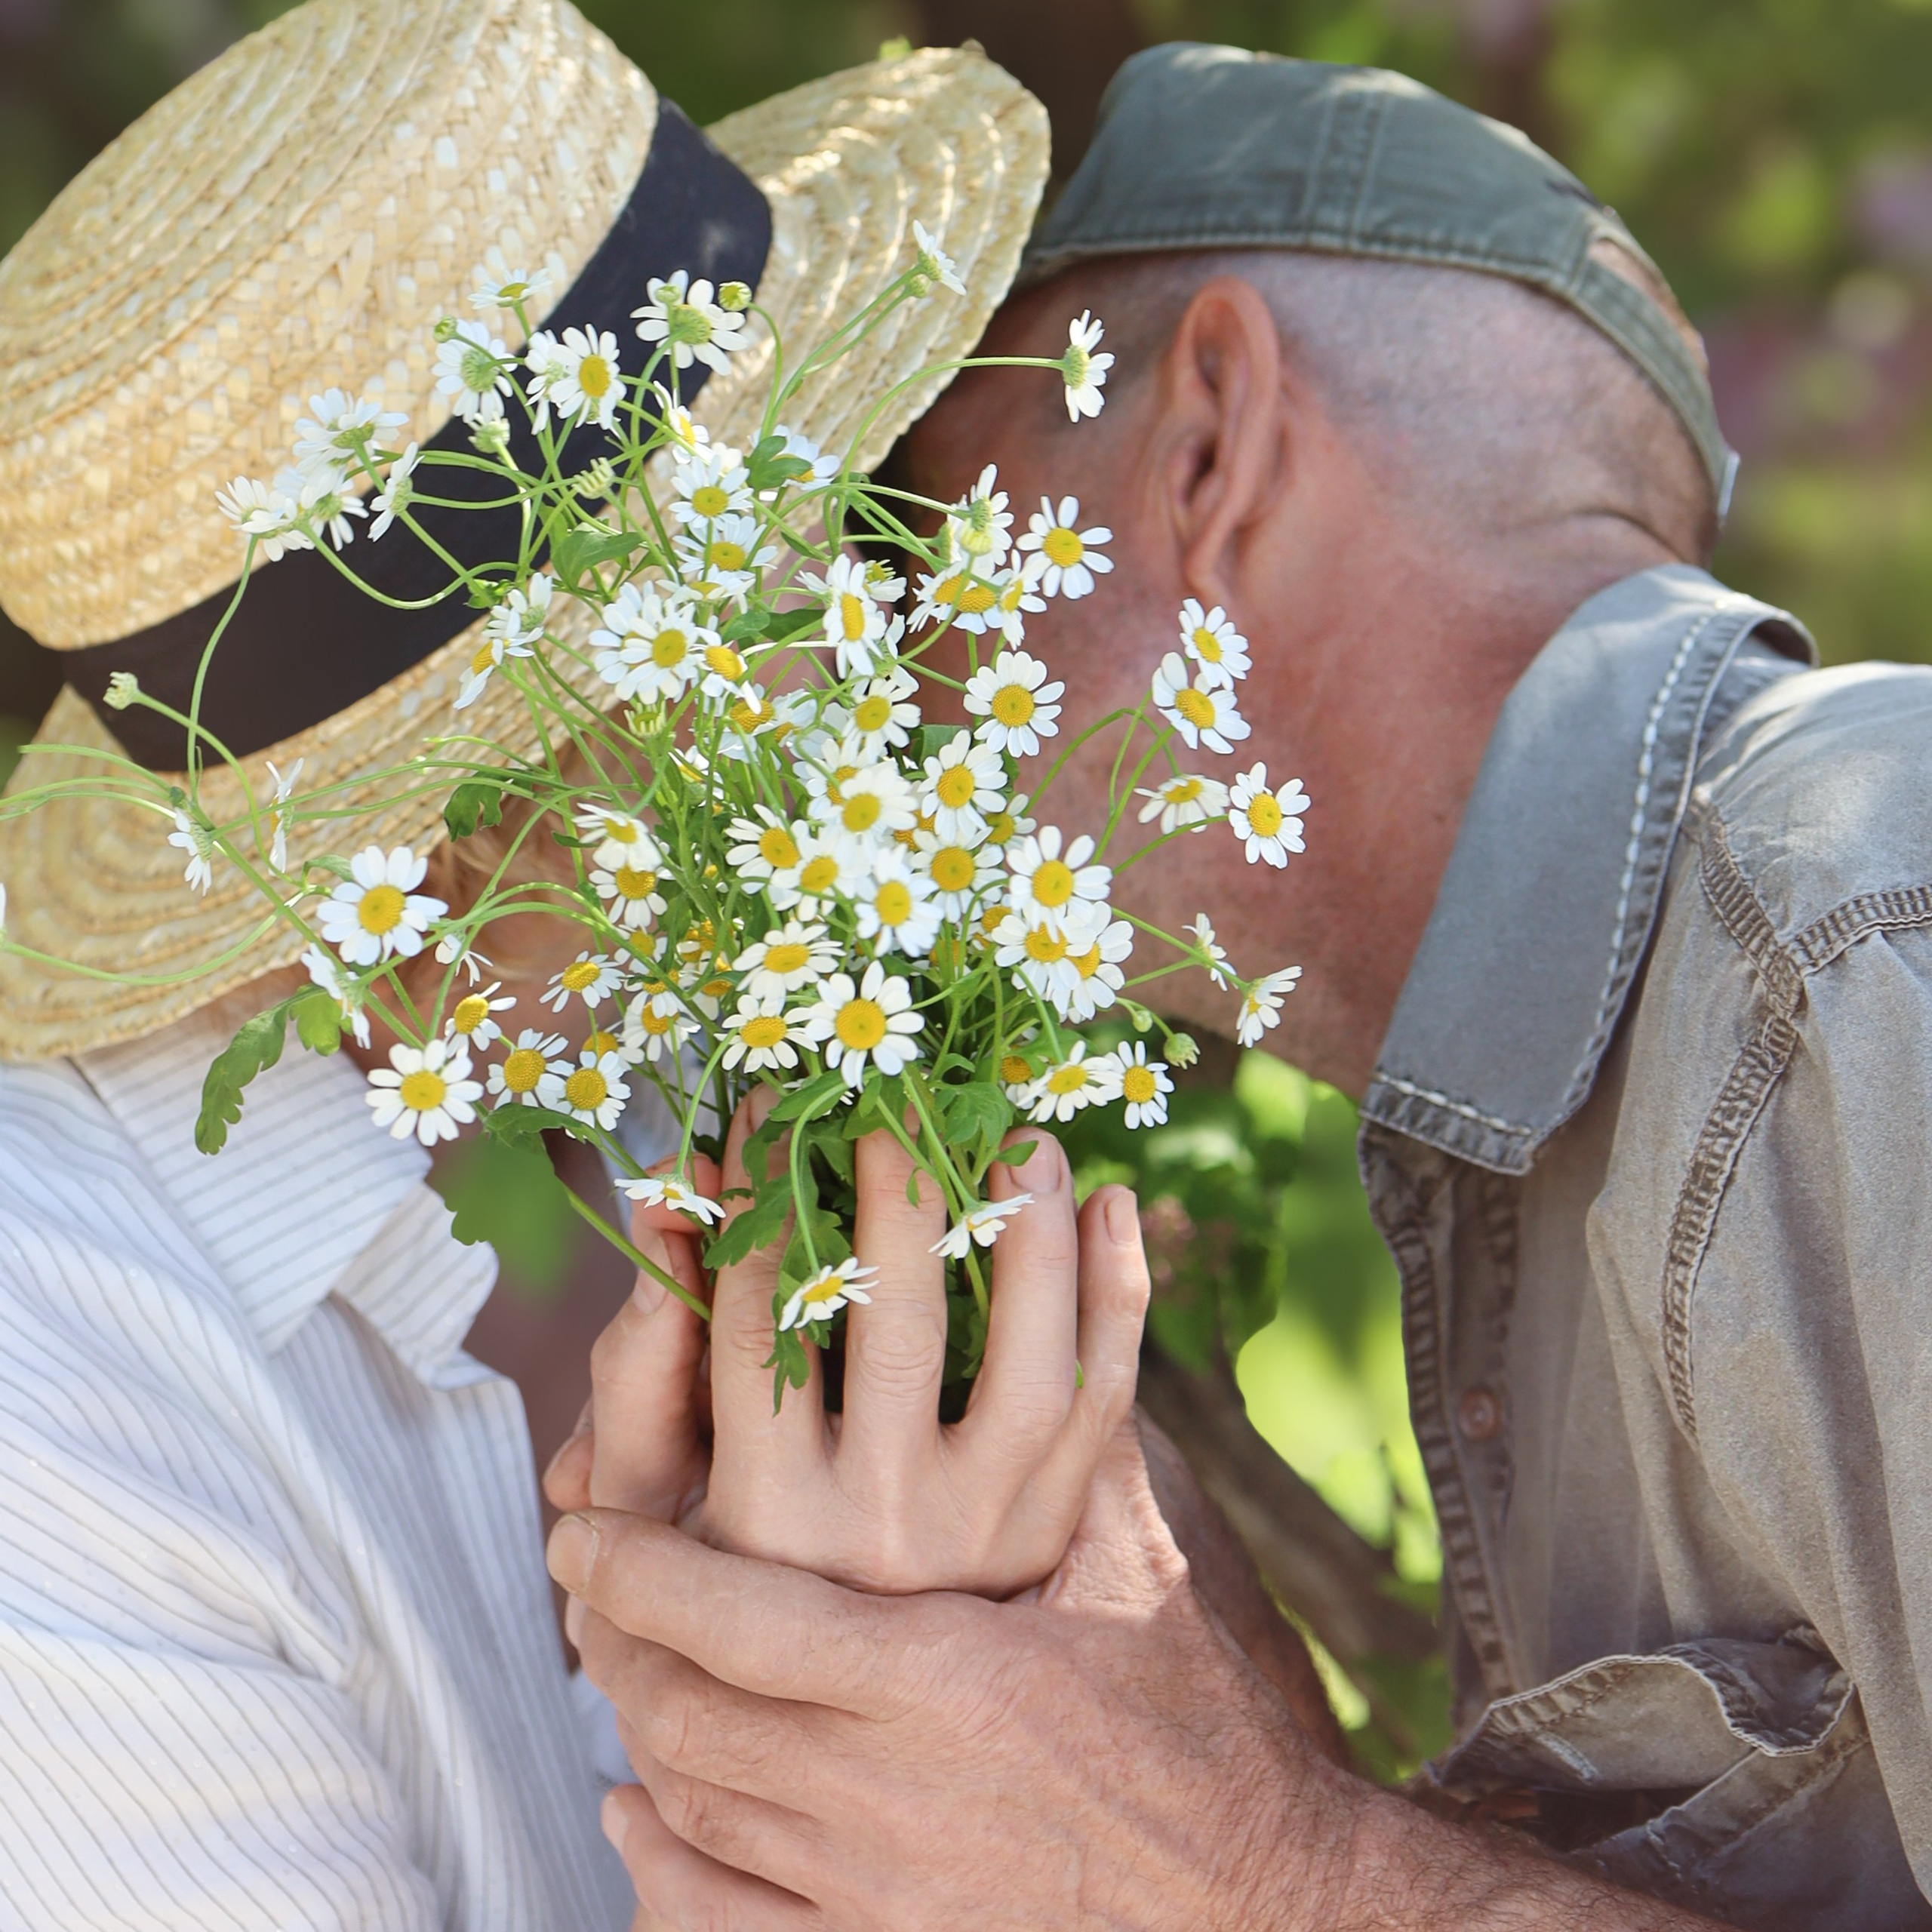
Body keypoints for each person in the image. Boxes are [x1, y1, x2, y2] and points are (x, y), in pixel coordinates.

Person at [550, 45, 1932, 1932]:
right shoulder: (1570, 1116)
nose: (848, 674)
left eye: (897, 526)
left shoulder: (1864, 936)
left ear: (1202, 440)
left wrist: (1250, 1857)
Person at [0, 3, 1063, 1924]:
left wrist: (768, 1618)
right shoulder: (49, 1429)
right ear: (517, 792)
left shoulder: (487, 1176)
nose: (865, 629)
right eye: (796, 524)